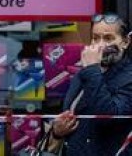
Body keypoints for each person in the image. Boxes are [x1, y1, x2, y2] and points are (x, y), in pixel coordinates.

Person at [48, 13, 132, 155]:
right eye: (95, 38)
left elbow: (108, 116)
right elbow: (71, 113)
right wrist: (57, 131)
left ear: (125, 42)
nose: (100, 44)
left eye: (108, 38)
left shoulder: (126, 76)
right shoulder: (85, 73)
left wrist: (92, 69)